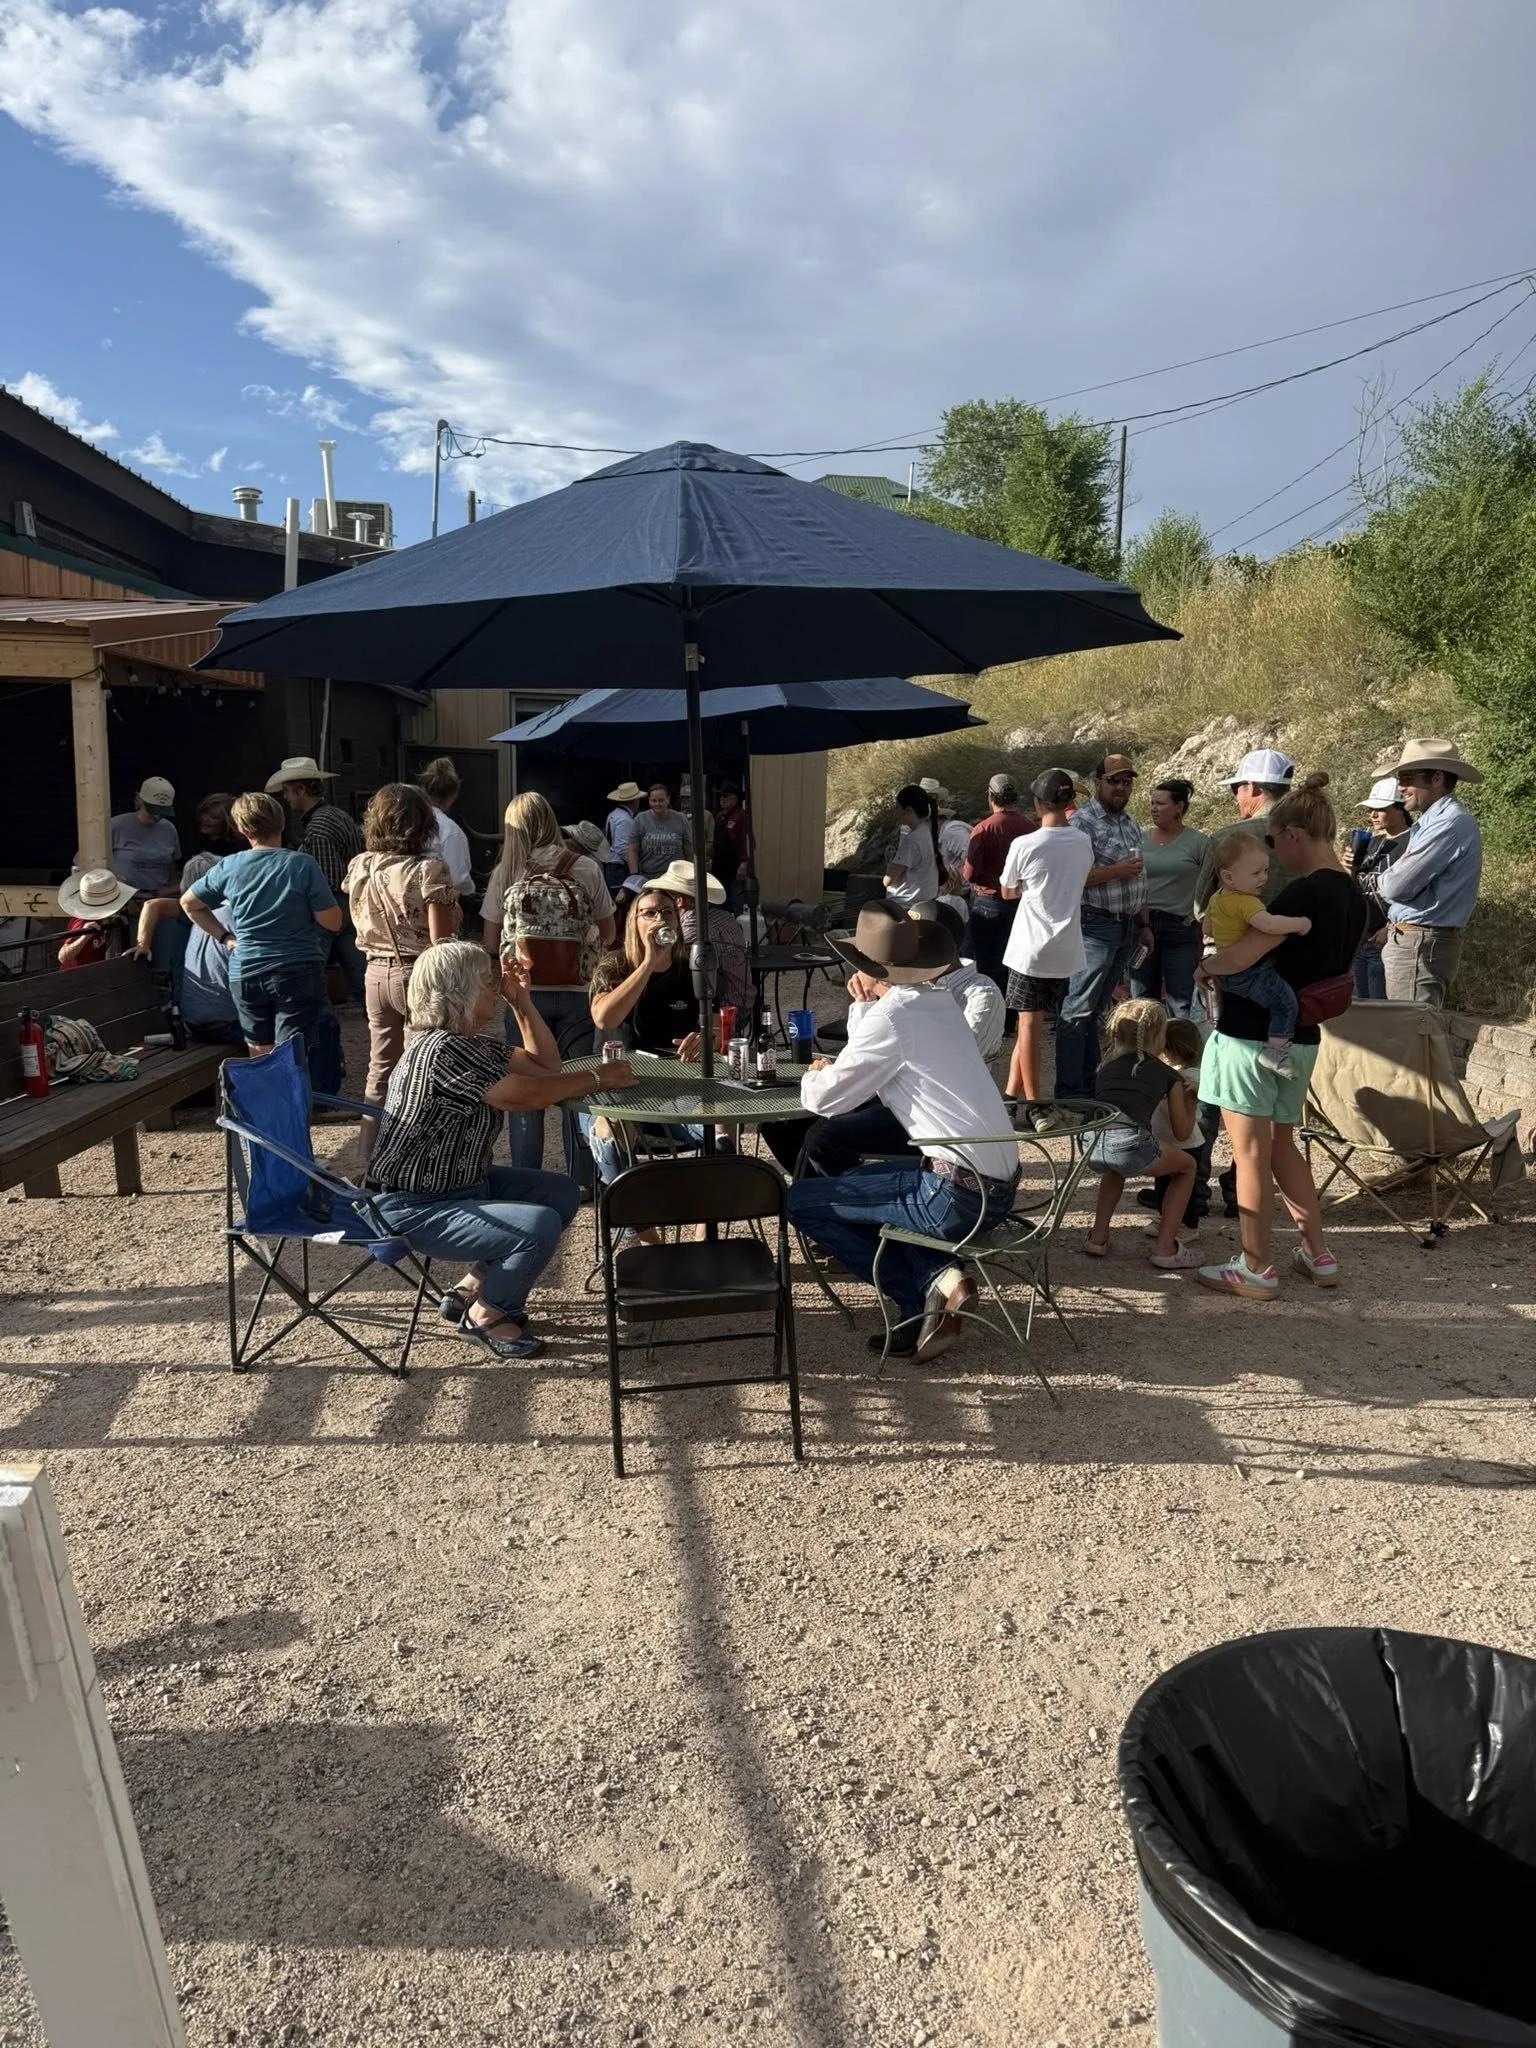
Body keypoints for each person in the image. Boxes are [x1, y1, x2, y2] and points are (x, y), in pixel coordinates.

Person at [366, 943, 629, 1359]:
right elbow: (530, 1095)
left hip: (462, 1185)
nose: (495, 989)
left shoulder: (464, 1043)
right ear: (462, 990)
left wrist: (520, 1001)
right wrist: (599, 1078)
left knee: (560, 1193)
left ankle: (471, 1288)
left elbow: (547, 1066)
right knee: (537, 1225)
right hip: (414, 1204)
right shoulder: (444, 1052)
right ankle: (487, 1315)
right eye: (488, 983)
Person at [785, 906, 1019, 1364]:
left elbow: (826, 1101)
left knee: (802, 1200)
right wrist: (864, 1009)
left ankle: (920, 1295)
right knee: (868, 1185)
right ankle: (938, 1284)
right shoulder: (938, 1003)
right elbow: (873, 1057)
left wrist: (813, 1073)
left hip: (956, 1195)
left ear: (866, 967)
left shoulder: (892, 1016)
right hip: (997, 1186)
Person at [1195, 773, 1366, 1302]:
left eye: (1273, 839)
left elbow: (1242, 957)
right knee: (1284, 1146)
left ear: (1293, 834)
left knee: (1248, 1152)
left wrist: (1205, 967)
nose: (1272, 854)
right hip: (1303, 1036)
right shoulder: (1355, 895)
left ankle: (1255, 1265)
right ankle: (1317, 1252)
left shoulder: (1303, 892)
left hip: (1250, 1037)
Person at [763, 902, 1002, 1178]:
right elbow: (866, 1052)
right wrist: (866, 1004)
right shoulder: (915, 997)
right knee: (786, 1123)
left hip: (929, 1111)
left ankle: (836, 1200)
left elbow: (954, 1065)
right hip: (896, 1095)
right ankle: (829, 1196)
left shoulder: (974, 993)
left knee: (824, 1132)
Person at [482, 792, 616, 1178]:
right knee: (577, 1084)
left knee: (527, 1092)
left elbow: (491, 943)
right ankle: (583, 1179)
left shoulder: (506, 872)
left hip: (525, 995)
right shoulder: (586, 867)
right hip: (577, 992)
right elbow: (608, 932)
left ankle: (529, 1177)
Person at [182, 791, 341, 1068]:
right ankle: (295, 1110)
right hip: (296, 967)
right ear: (281, 823)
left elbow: (189, 903)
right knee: (292, 1054)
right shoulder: (300, 864)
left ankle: (267, 1109)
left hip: (245, 971)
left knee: (260, 1053)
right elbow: (332, 922)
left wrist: (226, 937)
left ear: (242, 830)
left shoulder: (229, 866)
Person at [581, 887, 712, 1192]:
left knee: (721, 1123)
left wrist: (706, 1035)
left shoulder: (690, 968)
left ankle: (708, 1217)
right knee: (611, 1128)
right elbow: (604, 1018)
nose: (660, 919)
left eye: (668, 912)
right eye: (649, 912)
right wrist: (647, 964)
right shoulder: (614, 966)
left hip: (677, 1092)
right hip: (620, 1093)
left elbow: (716, 1023)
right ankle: (639, 1229)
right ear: (633, 922)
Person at [342, 782, 460, 1115]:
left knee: (379, 1069)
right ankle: (414, 1151)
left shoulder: (360, 865)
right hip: (418, 971)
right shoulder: (428, 869)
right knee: (422, 1066)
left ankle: (370, 1155)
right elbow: (442, 943)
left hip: (375, 971)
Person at [999, 768, 1094, 1127]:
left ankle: (1037, 1105)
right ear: (1070, 802)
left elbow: (1008, 890)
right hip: (1066, 947)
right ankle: (1009, 1097)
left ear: (1038, 804)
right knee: (1031, 1024)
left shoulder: (1026, 844)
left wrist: (1032, 888)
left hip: (1031, 947)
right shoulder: (1083, 841)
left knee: (1029, 1028)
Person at [1053, 754, 1149, 1099]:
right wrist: (1116, 871)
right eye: (1115, 781)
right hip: (1095, 925)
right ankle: (1069, 1091)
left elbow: (1140, 878)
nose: (1122, 787)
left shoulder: (1129, 822)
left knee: (1096, 1010)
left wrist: (1144, 923)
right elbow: (1070, 878)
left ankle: (1090, 1086)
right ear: (1098, 783)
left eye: (1127, 781)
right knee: (1078, 1009)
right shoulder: (1082, 826)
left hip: (1126, 926)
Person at [1082, 1000, 1200, 1270]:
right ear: (1159, 1038)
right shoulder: (1168, 1074)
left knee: (1115, 1169)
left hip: (1091, 1143)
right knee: (1187, 1167)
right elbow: (1182, 1133)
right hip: (1130, 1144)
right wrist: (1192, 1100)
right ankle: (1166, 1247)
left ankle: (1098, 1237)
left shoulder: (1105, 1067)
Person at [1379, 739, 1483, 1008]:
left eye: (1408, 778)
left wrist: (1382, 877)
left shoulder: (1448, 823)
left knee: (1411, 1036)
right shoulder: (1439, 821)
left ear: (1437, 778)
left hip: (1419, 944)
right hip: (1419, 941)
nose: (1400, 787)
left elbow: (1394, 887)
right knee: (1414, 1035)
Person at [1203, 833, 1314, 1077]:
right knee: (1285, 1004)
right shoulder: (1247, 902)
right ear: (1228, 877)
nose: (1263, 878)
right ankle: (1275, 1052)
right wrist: (1300, 924)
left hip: (1226, 972)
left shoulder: (1216, 898)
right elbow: (1270, 926)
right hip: (1249, 971)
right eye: (1256, 874)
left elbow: (1207, 929)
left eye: (1265, 871)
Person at [267, 755, 366, 1002]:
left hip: (333, 905)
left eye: (289, 791)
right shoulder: (336, 814)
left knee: (310, 971)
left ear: (301, 790)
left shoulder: (318, 828)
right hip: (353, 902)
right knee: (360, 974)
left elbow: (328, 880)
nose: (286, 798)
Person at [1132, 778, 1208, 1022]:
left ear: (1179, 807)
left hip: (1181, 929)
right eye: (1152, 803)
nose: (1153, 808)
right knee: (1142, 1001)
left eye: (1161, 804)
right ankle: (1143, 1054)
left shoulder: (1199, 843)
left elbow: (1211, 884)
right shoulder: (1139, 840)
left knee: (1181, 1000)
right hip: (1143, 927)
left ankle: (1181, 1056)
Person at [1190, 747, 1294, 916]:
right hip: (1300, 936)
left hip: (1238, 938)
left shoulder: (1225, 837)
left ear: (1253, 788)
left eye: (1235, 788)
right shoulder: (1314, 833)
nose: (1235, 798)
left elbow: (1201, 906)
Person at [962, 773, 1036, 997]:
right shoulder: (1031, 827)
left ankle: (997, 1017)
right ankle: (1014, 1014)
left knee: (989, 962)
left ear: (991, 797)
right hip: (1021, 901)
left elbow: (970, 874)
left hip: (988, 902)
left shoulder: (983, 829)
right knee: (1017, 960)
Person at [654, 857, 751, 1014]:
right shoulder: (724, 917)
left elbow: (666, 964)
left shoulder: (694, 928)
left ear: (678, 901)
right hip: (741, 1001)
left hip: (721, 1010)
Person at [1349, 775, 1411, 1000]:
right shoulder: (1370, 842)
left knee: (1381, 1009)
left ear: (1400, 808)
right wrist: (1347, 867)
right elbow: (1356, 886)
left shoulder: (1413, 842)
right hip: (1362, 938)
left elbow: (1414, 892)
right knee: (1363, 1009)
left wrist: (1391, 928)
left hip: (1386, 939)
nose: (1372, 815)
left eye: (1380, 808)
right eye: (1370, 809)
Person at [107, 776, 181, 895]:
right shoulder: (116, 825)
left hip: (157, 895)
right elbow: (82, 859)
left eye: (162, 812)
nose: (157, 817)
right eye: (153, 810)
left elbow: (172, 866)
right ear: (140, 802)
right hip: (121, 896)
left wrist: (170, 889)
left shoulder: (169, 829)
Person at [417, 756, 476, 902]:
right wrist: (471, 890)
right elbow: (458, 880)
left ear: (423, 789)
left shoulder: (407, 822)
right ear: (453, 795)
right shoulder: (450, 831)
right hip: (434, 909)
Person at [56, 868, 136, 968]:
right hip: (75, 977)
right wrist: (84, 936)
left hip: (93, 973)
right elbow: (63, 957)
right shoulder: (81, 921)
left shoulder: (103, 920)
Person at [883, 783, 940, 919]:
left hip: (905, 904)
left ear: (908, 810)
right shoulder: (927, 831)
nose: (895, 812)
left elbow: (889, 880)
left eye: (898, 808)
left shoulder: (912, 840)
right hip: (925, 901)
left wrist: (890, 864)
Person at [628, 781, 693, 880]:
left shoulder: (680, 819)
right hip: (647, 876)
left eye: (661, 800)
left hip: (675, 877)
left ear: (668, 799)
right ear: (649, 801)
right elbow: (632, 849)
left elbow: (689, 849)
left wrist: (692, 873)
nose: (657, 804)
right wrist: (634, 875)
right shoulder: (641, 819)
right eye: (653, 801)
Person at [712, 783, 752, 910]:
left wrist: (744, 863)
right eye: (720, 796)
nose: (722, 799)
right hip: (719, 865)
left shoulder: (741, 816)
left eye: (725, 796)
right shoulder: (719, 816)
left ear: (735, 798)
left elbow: (746, 840)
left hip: (735, 865)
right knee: (720, 898)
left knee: (736, 898)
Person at [605, 781, 643, 894]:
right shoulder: (625, 819)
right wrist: (635, 866)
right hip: (618, 868)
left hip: (612, 865)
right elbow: (622, 848)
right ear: (635, 801)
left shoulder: (614, 814)